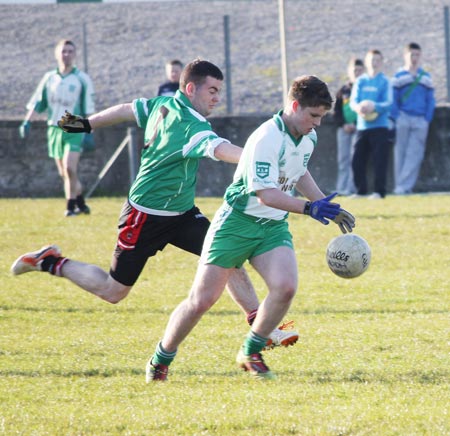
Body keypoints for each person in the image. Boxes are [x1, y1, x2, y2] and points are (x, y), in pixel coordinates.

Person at [11, 59, 299, 351]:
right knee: (113, 291)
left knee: (227, 255)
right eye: (212, 90)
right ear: (190, 88)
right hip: (144, 217)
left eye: (219, 91)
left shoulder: (163, 103)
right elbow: (221, 149)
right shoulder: (191, 125)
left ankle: (260, 324)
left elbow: (126, 109)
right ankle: (49, 261)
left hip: (183, 214)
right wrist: (263, 159)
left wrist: (85, 123)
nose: (216, 97)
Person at [146, 75, 356, 382]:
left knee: (285, 287)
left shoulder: (307, 136)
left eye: (322, 117)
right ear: (294, 106)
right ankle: (161, 358)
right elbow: (266, 194)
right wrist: (311, 208)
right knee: (201, 301)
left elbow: (298, 173)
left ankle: (251, 350)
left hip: (272, 227)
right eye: (313, 116)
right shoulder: (266, 138)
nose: (318, 123)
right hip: (235, 224)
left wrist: (325, 203)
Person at [19, 39, 95, 217]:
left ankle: (70, 207)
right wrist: (27, 121)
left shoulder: (82, 79)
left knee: (70, 168)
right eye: (63, 51)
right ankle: (81, 201)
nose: (66, 55)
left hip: (74, 125)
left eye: (70, 51)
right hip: (53, 128)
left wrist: (90, 129)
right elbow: (38, 101)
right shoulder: (49, 78)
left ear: (75, 54)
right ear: (57, 54)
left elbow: (88, 107)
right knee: (64, 172)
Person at [391, 42, 435, 195]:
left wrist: (427, 118)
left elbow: (431, 99)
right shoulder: (399, 75)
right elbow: (393, 98)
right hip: (403, 117)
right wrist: (396, 116)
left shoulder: (425, 76)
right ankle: (401, 186)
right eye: (412, 55)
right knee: (400, 152)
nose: (414, 58)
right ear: (405, 56)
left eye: (417, 55)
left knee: (415, 154)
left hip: (420, 119)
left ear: (420, 56)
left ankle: (404, 186)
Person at [350, 49, 393, 199]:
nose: (374, 63)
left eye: (377, 60)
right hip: (362, 126)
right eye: (371, 60)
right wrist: (359, 108)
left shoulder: (385, 81)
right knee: (356, 159)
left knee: (379, 160)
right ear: (367, 62)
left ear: (381, 62)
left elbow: (388, 103)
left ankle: (379, 192)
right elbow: (353, 101)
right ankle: (360, 191)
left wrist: (373, 106)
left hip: (380, 126)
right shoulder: (361, 81)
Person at [334, 58, 365, 196]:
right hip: (344, 129)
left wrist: (356, 124)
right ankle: (341, 187)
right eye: (354, 70)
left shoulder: (365, 88)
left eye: (359, 70)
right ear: (349, 72)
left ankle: (351, 188)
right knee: (343, 159)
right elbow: (337, 111)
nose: (357, 73)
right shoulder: (343, 90)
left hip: (359, 128)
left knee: (355, 159)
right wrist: (343, 124)